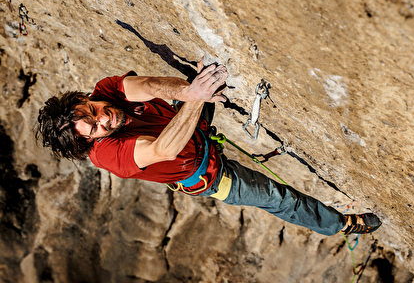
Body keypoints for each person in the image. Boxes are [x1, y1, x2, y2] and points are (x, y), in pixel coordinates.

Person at [35, 60, 382, 236]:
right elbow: (163, 150)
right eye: (95, 128)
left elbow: (151, 85)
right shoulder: (108, 155)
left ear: (85, 98)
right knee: (280, 199)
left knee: (197, 76)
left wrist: (190, 92)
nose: (105, 119)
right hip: (211, 175)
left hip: (198, 134)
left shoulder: (104, 92)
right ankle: (340, 224)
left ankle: (199, 92)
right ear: (89, 142)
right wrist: (196, 98)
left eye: (93, 111)